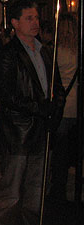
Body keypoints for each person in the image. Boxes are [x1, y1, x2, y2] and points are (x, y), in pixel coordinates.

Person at [0, 0, 65, 225]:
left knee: (36, 191)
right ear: (15, 22)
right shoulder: (8, 53)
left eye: (36, 18)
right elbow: (6, 94)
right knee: (11, 192)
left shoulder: (45, 51)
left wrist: (53, 114)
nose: (35, 23)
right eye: (29, 18)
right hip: (18, 133)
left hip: (41, 132)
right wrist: (38, 108)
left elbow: (56, 88)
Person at [48, 13, 78, 205]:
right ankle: (63, 187)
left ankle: (56, 189)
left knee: (57, 151)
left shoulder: (56, 52)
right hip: (74, 104)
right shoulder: (77, 52)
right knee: (67, 151)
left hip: (62, 105)